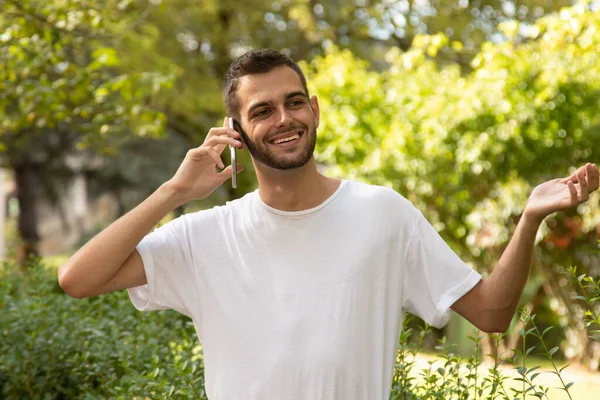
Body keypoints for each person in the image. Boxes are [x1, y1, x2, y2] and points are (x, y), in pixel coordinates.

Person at [58, 48, 599, 399]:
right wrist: (174, 192)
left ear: (315, 110)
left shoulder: (383, 213)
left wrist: (529, 218)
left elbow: (490, 312)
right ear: (236, 131)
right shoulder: (205, 237)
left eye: (294, 103)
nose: (284, 119)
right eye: (262, 110)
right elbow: (77, 279)